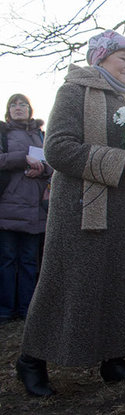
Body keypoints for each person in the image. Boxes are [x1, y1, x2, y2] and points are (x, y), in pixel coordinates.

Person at [16, 30, 125, 397]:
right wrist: (119, 160)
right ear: (100, 57)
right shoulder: (74, 91)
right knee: (64, 287)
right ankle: (31, 360)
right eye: (124, 58)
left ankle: (114, 360)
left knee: (117, 285)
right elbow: (57, 149)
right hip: (82, 213)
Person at [0, 94, 52, 326]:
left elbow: (53, 165)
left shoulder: (41, 135)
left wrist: (42, 169)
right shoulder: (3, 133)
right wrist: (24, 159)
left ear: (30, 110)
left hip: (34, 208)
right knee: (7, 260)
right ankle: (5, 311)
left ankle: (27, 310)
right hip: (7, 206)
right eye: (14, 104)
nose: (18, 107)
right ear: (8, 110)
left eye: (23, 104)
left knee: (30, 261)